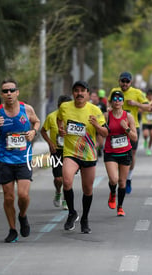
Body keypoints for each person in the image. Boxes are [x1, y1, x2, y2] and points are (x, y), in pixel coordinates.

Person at [0, 79, 40, 243]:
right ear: (2, 94)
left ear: (17, 92)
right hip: (4, 159)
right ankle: (12, 229)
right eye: (5, 91)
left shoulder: (26, 109)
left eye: (11, 90)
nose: (8, 93)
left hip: (23, 158)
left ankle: (22, 216)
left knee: (23, 195)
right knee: (8, 197)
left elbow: (36, 121)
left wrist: (33, 131)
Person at [57, 80, 108, 234]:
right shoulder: (65, 107)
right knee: (66, 181)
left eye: (82, 91)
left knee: (87, 189)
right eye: (76, 90)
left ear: (87, 93)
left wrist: (97, 125)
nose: (79, 93)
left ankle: (85, 218)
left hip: (88, 154)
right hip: (71, 152)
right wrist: (60, 129)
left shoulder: (94, 110)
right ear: (73, 93)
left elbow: (105, 133)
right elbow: (59, 119)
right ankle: (72, 213)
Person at [108, 72, 149, 194]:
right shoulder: (114, 91)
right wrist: (109, 109)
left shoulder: (137, 92)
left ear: (130, 83)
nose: (124, 84)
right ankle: (118, 178)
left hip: (132, 127)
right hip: (116, 129)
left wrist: (136, 104)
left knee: (131, 154)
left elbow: (148, 107)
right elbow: (109, 104)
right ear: (119, 81)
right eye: (122, 81)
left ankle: (128, 178)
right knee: (116, 154)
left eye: (127, 82)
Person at [104, 91, 137, 217]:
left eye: (119, 98)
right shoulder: (106, 115)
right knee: (114, 179)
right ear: (112, 102)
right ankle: (112, 193)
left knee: (122, 182)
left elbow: (134, 138)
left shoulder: (128, 117)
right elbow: (101, 131)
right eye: (115, 99)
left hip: (125, 152)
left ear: (123, 102)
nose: (117, 101)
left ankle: (120, 206)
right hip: (110, 152)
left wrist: (126, 128)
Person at [40, 95, 72, 210]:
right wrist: (50, 143)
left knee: (67, 178)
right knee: (58, 179)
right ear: (59, 106)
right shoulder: (51, 117)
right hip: (56, 151)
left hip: (70, 151)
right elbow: (43, 131)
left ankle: (65, 199)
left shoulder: (73, 117)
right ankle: (58, 191)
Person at [141, 89, 152, 156]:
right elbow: (140, 110)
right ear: (147, 96)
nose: (150, 97)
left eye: (151, 95)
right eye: (149, 95)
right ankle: (145, 140)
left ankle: (149, 149)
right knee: (145, 134)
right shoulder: (144, 102)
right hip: (145, 121)